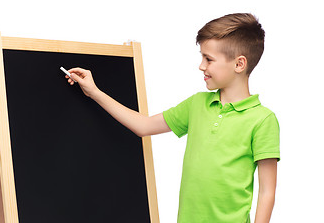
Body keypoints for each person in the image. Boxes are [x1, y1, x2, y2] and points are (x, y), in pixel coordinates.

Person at [64, 13, 280, 223]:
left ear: (239, 64)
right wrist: (94, 92)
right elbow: (144, 125)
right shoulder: (197, 104)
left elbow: (267, 192)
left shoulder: (262, 120)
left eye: (209, 59)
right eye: (202, 57)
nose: (201, 65)